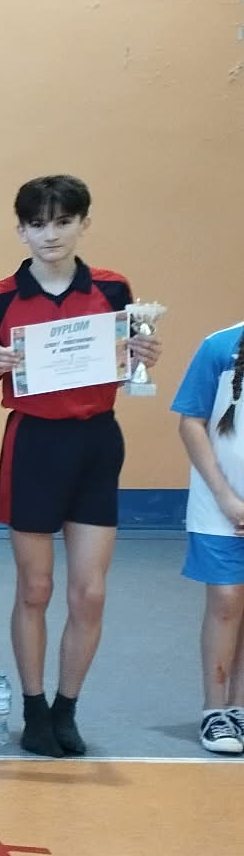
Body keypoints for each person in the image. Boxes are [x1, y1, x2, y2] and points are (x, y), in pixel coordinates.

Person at [0, 175, 161, 757]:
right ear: (21, 230)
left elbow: (128, 365)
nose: (50, 234)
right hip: (33, 444)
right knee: (35, 587)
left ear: (84, 224)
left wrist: (143, 356)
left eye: (62, 222)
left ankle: (66, 708)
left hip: (96, 443)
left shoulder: (113, 288)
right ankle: (33, 708)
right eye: (38, 224)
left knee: (90, 594)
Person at [170, 320, 244, 754]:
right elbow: (191, 422)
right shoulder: (219, 346)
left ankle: (240, 707)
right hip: (220, 503)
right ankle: (215, 711)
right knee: (227, 600)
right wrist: (226, 497)